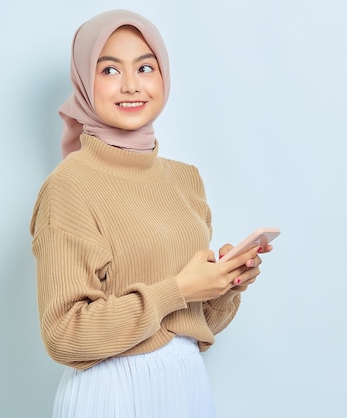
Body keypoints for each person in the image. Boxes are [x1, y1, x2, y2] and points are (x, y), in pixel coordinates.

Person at [29, 9, 273, 418]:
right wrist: (176, 289)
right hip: (111, 394)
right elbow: (64, 334)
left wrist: (224, 284)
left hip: (187, 386)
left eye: (145, 66)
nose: (131, 85)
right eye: (108, 70)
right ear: (84, 84)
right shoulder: (69, 186)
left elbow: (195, 325)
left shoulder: (185, 180)